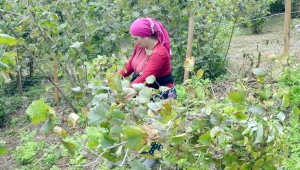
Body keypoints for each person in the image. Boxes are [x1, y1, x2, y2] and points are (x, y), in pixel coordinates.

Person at [119, 18, 177, 168]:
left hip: (161, 93)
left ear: (146, 36)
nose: (135, 42)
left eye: (136, 38)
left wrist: (123, 92)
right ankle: (150, 154)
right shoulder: (140, 47)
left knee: (156, 127)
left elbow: (145, 77)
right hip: (145, 91)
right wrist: (117, 78)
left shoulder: (159, 53)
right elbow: (130, 65)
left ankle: (154, 157)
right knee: (146, 124)